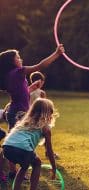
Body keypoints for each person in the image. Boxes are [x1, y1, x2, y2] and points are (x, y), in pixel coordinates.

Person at [0, 44, 64, 180]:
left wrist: (30, 88)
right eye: (18, 57)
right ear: (11, 61)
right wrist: (56, 54)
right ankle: (18, 168)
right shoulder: (18, 72)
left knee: (12, 139)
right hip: (19, 113)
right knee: (20, 140)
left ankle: (12, 171)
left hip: (14, 110)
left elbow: (20, 94)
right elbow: (39, 66)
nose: (20, 59)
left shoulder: (10, 76)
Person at [2, 98, 58, 190]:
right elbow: (49, 150)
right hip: (22, 149)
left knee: (25, 166)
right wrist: (54, 168)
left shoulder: (24, 121)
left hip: (7, 148)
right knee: (37, 163)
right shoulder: (46, 128)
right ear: (48, 113)